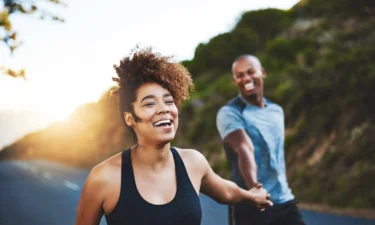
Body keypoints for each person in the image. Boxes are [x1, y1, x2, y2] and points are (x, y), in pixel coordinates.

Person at [74, 48, 273, 225]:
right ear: (130, 118)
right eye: (149, 104)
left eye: (168, 101)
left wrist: (251, 196)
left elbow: (227, 191)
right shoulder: (104, 177)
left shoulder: (193, 162)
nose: (164, 109)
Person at [216, 55, 306, 225]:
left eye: (251, 72)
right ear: (235, 80)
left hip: (284, 200)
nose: (246, 78)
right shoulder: (229, 113)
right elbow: (244, 147)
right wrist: (255, 188)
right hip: (250, 204)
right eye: (240, 75)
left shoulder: (276, 111)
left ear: (262, 72)